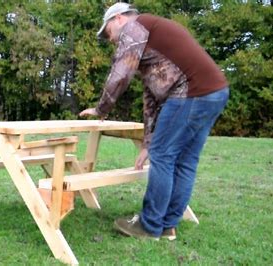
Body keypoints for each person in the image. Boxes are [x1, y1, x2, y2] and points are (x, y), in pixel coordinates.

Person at [79, 2, 229, 240]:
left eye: (106, 31)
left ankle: (149, 226)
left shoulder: (135, 27)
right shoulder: (151, 39)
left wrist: (101, 109)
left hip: (191, 92)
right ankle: (168, 225)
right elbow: (152, 98)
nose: (109, 39)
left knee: (164, 157)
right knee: (185, 161)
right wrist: (148, 144)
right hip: (215, 93)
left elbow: (120, 74)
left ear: (118, 18)